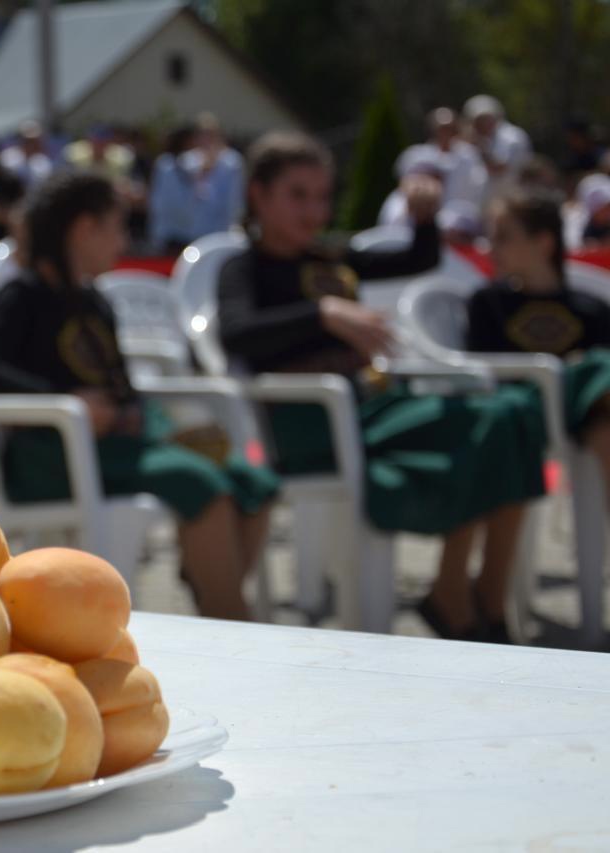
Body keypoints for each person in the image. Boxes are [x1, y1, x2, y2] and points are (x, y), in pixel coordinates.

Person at [217, 131, 547, 642]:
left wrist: (423, 215)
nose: (313, 210)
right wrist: (323, 313)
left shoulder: (330, 256)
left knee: (513, 412)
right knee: (494, 420)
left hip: (373, 408)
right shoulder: (246, 266)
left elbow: (418, 258)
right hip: (315, 424)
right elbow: (236, 332)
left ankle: (476, 590)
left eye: (322, 196)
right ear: (258, 195)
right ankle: (458, 598)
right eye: (297, 195)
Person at [0, 172, 279, 620]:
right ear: (83, 229)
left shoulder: (95, 300)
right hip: (54, 454)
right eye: (117, 226)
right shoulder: (25, 297)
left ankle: (213, 590)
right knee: (199, 483)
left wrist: (134, 412)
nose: (124, 239)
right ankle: (232, 616)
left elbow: (119, 383)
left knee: (254, 482)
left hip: (115, 449)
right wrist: (70, 400)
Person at [466, 188, 610, 517]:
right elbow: (483, 373)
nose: (491, 248)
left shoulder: (592, 309)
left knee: (606, 430)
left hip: (586, 418)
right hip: (520, 413)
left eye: (504, 237)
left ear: (543, 242)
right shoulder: (488, 304)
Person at [149, 114, 244, 253]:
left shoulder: (232, 163)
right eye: (202, 135)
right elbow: (170, 201)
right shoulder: (185, 161)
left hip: (217, 236)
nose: (206, 141)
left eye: (211, 135)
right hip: (184, 236)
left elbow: (233, 203)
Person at [394, 108, 487, 214]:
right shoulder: (415, 155)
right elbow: (405, 185)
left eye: (450, 128)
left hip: (460, 217)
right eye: (442, 128)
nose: (446, 133)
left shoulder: (469, 154)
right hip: (424, 216)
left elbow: (479, 184)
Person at [463, 95, 532, 194]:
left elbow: (500, 168)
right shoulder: (488, 138)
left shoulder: (511, 137)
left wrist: (480, 148)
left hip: (514, 195)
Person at [0, 120, 54, 190]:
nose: (32, 143)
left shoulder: (43, 162)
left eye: (34, 140)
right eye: (28, 140)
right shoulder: (7, 156)